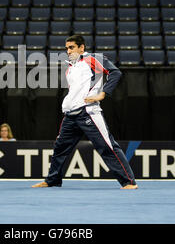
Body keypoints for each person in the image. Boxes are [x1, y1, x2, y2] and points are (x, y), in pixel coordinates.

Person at [32, 35, 138, 189]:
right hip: (70, 115)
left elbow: (115, 73)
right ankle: (53, 180)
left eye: (71, 47)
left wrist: (103, 94)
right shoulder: (71, 66)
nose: (68, 51)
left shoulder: (94, 59)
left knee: (107, 146)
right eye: (67, 48)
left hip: (88, 112)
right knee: (60, 148)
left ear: (81, 47)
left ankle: (128, 182)